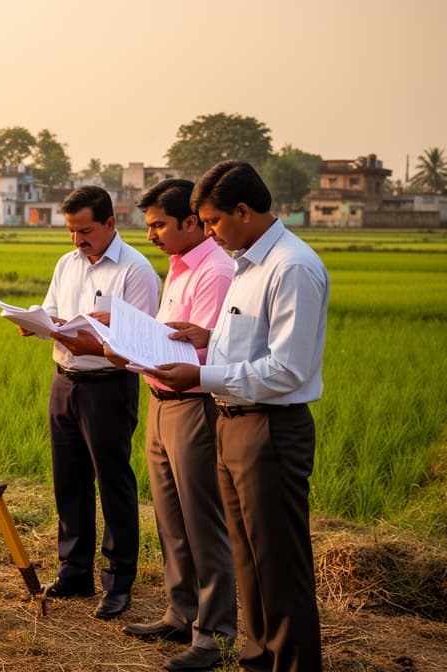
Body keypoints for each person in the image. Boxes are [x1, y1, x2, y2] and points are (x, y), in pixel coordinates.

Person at [146, 161, 329, 672]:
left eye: (212, 222)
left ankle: (291, 663)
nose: (208, 233)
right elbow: (252, 347)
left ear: (243, 211)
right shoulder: (250, 265)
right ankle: (257, 657)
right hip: (233, 423)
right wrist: (209, 340)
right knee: (249, 559)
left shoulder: (291, 267)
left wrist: (200, 377)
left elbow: (287, 369)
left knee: (280, 564)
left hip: (269, 428)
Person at [106, 179, 237, 672]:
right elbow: (170, 336)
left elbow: (201, 352)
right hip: (161, 402)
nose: (153, 235)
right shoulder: (179, 268)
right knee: (169, 519)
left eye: (160, 224)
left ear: (191, 222)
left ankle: (215, 632)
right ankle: (180, 612)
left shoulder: (215, 272)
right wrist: (119, 334)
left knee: (203, 523)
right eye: (149, 225)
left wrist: (131, 343)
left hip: (193, 406)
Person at [21, 185, 160, 620]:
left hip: (109, 385)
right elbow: (50, 310)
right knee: (69, 479)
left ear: (110, 224)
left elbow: (140, 342)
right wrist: (38, 324)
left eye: (85, 231)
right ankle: (73, 572)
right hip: (64, 380)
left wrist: (81, 337)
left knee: (112, 481)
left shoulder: (136, 271)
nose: (77, 240)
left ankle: (118, 582)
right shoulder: (67, 264)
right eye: (71, 231)